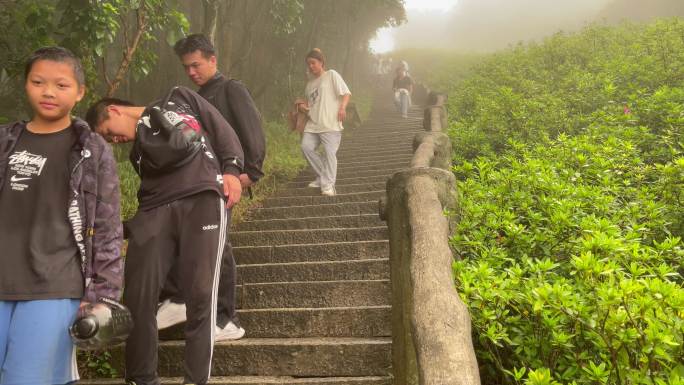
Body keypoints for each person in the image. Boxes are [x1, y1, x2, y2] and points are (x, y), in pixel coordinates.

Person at [85, 86, 244, 385]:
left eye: (108, 132)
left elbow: (219, 126)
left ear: (114, 110)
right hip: (154, 211)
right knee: (139, 295)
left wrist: (233, 168)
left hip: (202, 198)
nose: (114, 140)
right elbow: (152, 193)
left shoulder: (178, 97)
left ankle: (195, 380)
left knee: (200, 294)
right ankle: (141, 379)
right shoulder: (139, 153)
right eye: (108, 141)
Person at [0, 46, 123, 384]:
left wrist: (104, 295)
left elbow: (107, 225)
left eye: (61, 85)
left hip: (53, 286)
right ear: (25, 85)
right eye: (38, 82)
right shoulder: (4, 141)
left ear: (80, 91)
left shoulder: (91, 150)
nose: (49, 92)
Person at [153, 34, 266, 341]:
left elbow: (253, 133)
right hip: (201, 183)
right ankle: (182, 302)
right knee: (192, 243)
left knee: (219, 247)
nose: (191, 72)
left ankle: (226, 319)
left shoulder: (231, 89)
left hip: (226, 182)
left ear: (213, 59)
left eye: (196, 65)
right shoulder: (195, 98)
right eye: (186, 67)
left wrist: (250, 174)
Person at [299, 48, 351, 197]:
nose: (310, 66)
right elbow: (311, 104)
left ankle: (328, 186)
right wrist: (303, 107)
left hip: (330, 123)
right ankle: (323, 176)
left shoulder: (331, 75)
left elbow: (346, 93)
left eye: (313, 63)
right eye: (308, 64)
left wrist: (342, 108)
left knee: (329, 154)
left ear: (321, 62)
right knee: (306, 147)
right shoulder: (309, 84)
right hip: (313, 123)